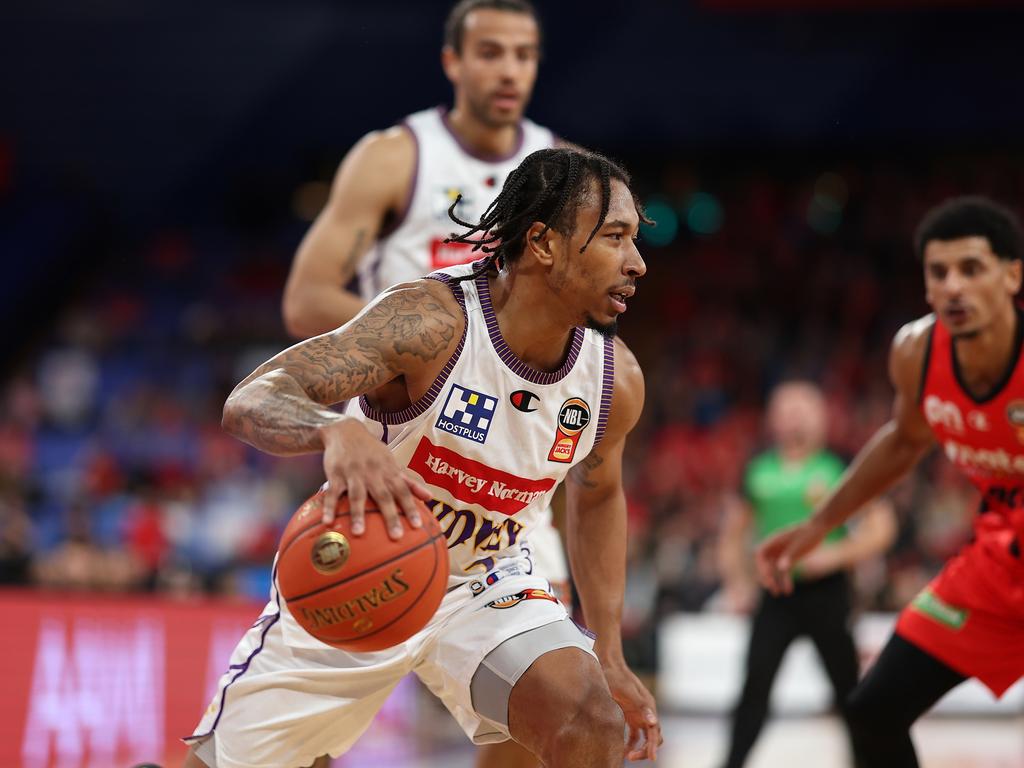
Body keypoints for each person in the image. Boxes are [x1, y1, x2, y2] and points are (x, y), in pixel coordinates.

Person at [182, 147, 662, 768]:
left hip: (485, 580)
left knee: (591, 723)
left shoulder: (612, 380)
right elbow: (252, 399)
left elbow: (598, 498)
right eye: (616, 238)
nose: (638, 263)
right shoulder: (430, 322)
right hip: (360, 567)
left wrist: (611, 652)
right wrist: (333, 430)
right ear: (542, 243)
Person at [282, 5, 570, 760]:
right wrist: (435, 341)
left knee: (533, 705)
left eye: (524, 54)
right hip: (397, 448)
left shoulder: (559, 170)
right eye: (490, 52)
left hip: (511, 457)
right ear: (453, 61)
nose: (509, 70)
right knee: (328, 688)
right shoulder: (394, 156)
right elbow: (308, 296)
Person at [756, 196, 1024, 767]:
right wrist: (818, 524)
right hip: (1000, 562)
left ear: (1012, 275)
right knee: (873, 713)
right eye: (939, 272)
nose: (953, 286)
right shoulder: (917, 351)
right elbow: (903, 441)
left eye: (972, 269)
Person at [717, 380, 895, 768]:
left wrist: (836, 554)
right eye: (786, 408)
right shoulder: (758, 468)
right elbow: (732, 534)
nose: (794, 416)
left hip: (827, 594)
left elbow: (882, 528)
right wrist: (737, 583)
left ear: (821, 416)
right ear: (772, 418)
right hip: (776, 593)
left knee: (849, 692)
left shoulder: (839, 466)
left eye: (803, 408)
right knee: (754, 691)